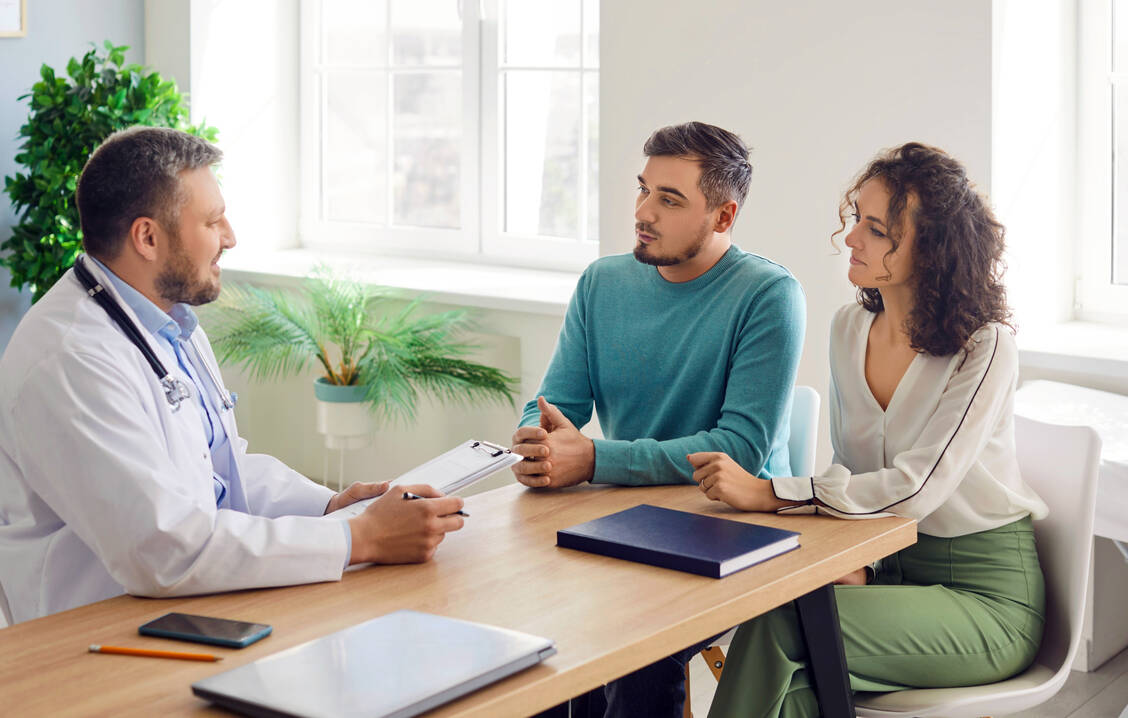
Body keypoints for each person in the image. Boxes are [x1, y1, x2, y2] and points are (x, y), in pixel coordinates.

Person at [0, 127, 464, 625]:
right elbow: (163, 550)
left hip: (181, 610)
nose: (230, 238)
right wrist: (360, 537)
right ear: (147, 237)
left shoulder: (167, 322)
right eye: (213, 221)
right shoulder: (71, 360)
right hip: (85, 639)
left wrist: (328, 507)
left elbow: (218, 471)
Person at [690, 142, 1050, 718]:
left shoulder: (985, 346)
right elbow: (852, 471)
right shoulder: (849, 328)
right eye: (857, 217)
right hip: (888, 574)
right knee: (797, 700)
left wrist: (770, 492)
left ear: (931, 250)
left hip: (986, 599)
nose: (852, 237)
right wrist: (854, 559)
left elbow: (916, 488)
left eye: (877, 229)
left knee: (780, 620)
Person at [515, 122, 806, 718]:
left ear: (723, 217)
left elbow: (740, 449)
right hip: (620, 522)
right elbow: (554, 404)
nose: (644, 212)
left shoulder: (768, 294)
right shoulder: (604, 282)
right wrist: (541, 440)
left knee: (637, 646)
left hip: (734, 528)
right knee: (529, 634)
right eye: (643, 189)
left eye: (670, 200)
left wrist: (594, 459)